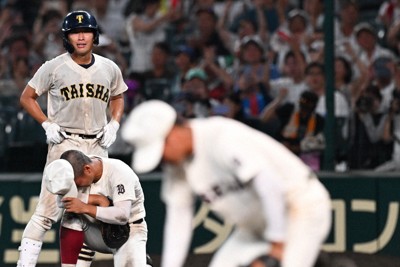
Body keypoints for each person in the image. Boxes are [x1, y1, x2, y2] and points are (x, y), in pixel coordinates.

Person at [120, 100, 332, 267]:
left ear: (173, 133)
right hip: (255, 226)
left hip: (299, 209)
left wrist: (277, 246)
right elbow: (178, 221)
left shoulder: (220, 136)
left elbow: (270, 185)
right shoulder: (177, 166)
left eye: (160, 151)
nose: (162, 160)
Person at [17, 10, 127, 267]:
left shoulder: (109, 67)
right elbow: (26, 96)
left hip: (98, 146)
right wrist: (46, 123)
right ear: (67, 37)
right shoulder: (54, 66)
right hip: (65, 144)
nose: (81, 37)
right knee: (46, 213)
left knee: (79, 216)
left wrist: (114, 123)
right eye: (75, 32)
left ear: (94, 35)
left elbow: (119, 95)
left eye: (85, 31)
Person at [43, 150, 148, 266]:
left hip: (129, 231)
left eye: (77, 184)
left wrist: (85, 207)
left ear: (87, 169)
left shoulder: (119, 172)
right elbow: (61, 202)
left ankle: (141, 261)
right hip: (95, 231)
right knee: (71, 216)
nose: (76, 187)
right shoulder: (75, 169)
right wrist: (96, 199)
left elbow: (122, 215)